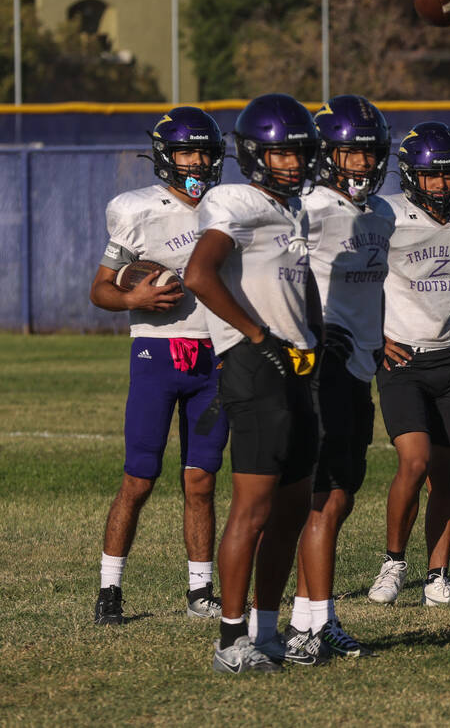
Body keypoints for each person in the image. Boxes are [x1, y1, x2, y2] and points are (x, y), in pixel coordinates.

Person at [185, 93, 324, 673]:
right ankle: (230, 641)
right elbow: (199, 273)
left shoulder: (294, 209)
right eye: (282, 155)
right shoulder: (233, 198)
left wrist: (313, 338)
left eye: (299, 154)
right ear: (254, 155)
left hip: (295, 364)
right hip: (252, 363)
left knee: (293, 505)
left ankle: (267, 632)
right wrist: (259, 337)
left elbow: (299, 284)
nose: (293, 164)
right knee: (254, 507)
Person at [89, 106, 229, 625]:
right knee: (139, 478)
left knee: (201, 480)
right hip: (157, 354)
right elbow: (100, 288)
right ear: (167, 157)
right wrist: (133, 299)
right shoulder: (135, 209)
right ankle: (109, 589)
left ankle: (200, 591)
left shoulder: (231, 206)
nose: (198, 161)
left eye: (207, 152)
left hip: (214, 355)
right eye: (189, 151)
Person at [367, 121, 450, 610]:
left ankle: (437, 579)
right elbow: (356, 273)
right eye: (431, 177)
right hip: (401, 357)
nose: (442, 185)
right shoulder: (386, 216)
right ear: (410, 176)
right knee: (415, 461)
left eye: (449, 176)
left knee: (444, 474)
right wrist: (376, 335)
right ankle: (393, 563)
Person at [282, 95, 396, 660]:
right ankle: (312, 625)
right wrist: (310, 331)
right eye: (349, 153)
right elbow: (274, 276)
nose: (361, 164)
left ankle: (307, 618)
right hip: (319, 369)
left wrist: (378, 340)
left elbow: (372, 288)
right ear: (327, 154)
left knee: (342, 494)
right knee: (322, 498)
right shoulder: (306, 210)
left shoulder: (383, 213)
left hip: (359, 368)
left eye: (369, 153)